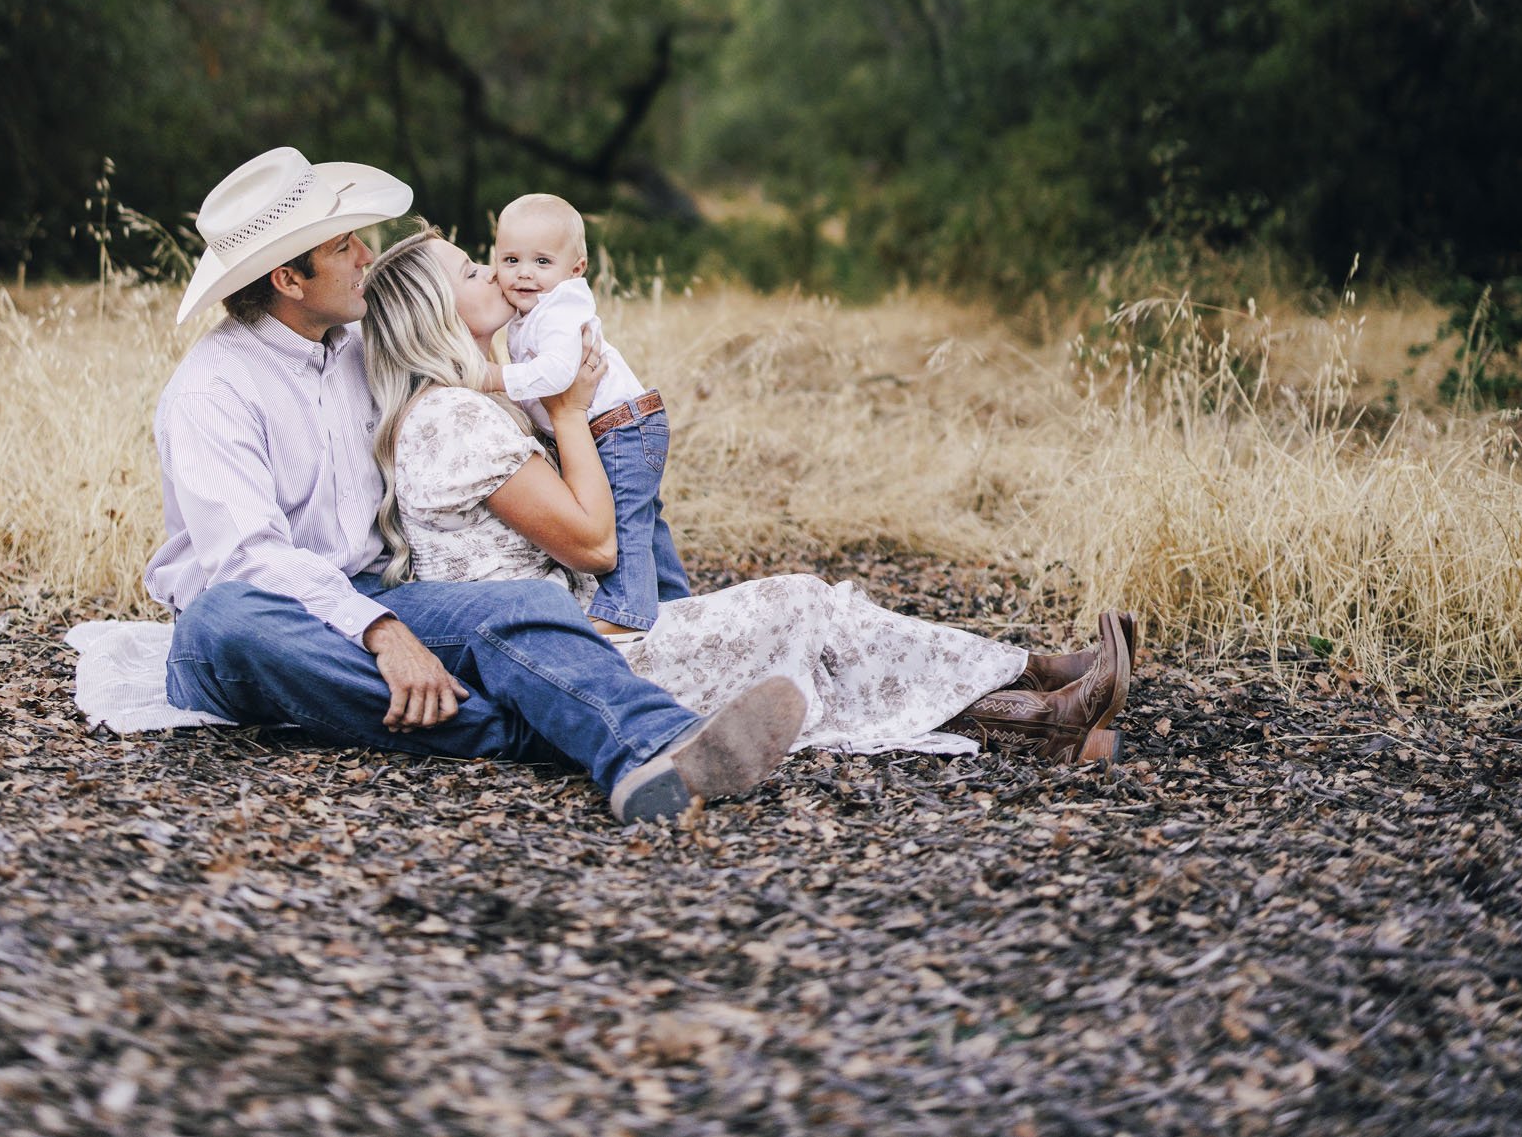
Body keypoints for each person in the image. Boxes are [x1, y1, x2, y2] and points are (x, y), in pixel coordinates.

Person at [142, 146, 806, 824]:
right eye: (345, 246)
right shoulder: (212, 391)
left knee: (516, 603)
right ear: (288, 278)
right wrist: (382, 633)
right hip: (270, 618)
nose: (366, 257)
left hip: (373, 587)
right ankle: (531, 730)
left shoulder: (354, 346)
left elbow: (450, 331)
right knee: (226, 622)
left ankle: (656, 746)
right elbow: (247, 560)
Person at [363, 231, 1133, 765]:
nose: (494, 274)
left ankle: (1044, 701)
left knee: (810, 624)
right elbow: (594, 544)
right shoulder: (453, 415)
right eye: (468, 273)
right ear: (435, 314)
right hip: (573, 660)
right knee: (799, 609)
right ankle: (1040, 687)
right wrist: (568, 413)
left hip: (580, 634)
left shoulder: (468, 404)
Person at [472, 191, 688, 635]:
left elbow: (555, 375)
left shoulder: (562, 308)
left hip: (620, 428)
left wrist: (493, 377)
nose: (524, 273)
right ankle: (674, 601)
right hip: (622, 424)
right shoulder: (533, 309)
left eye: (542, 262)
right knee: (645, 519)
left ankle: (625, 612)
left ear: (576, 269)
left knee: (626, 517)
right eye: (510, 260)